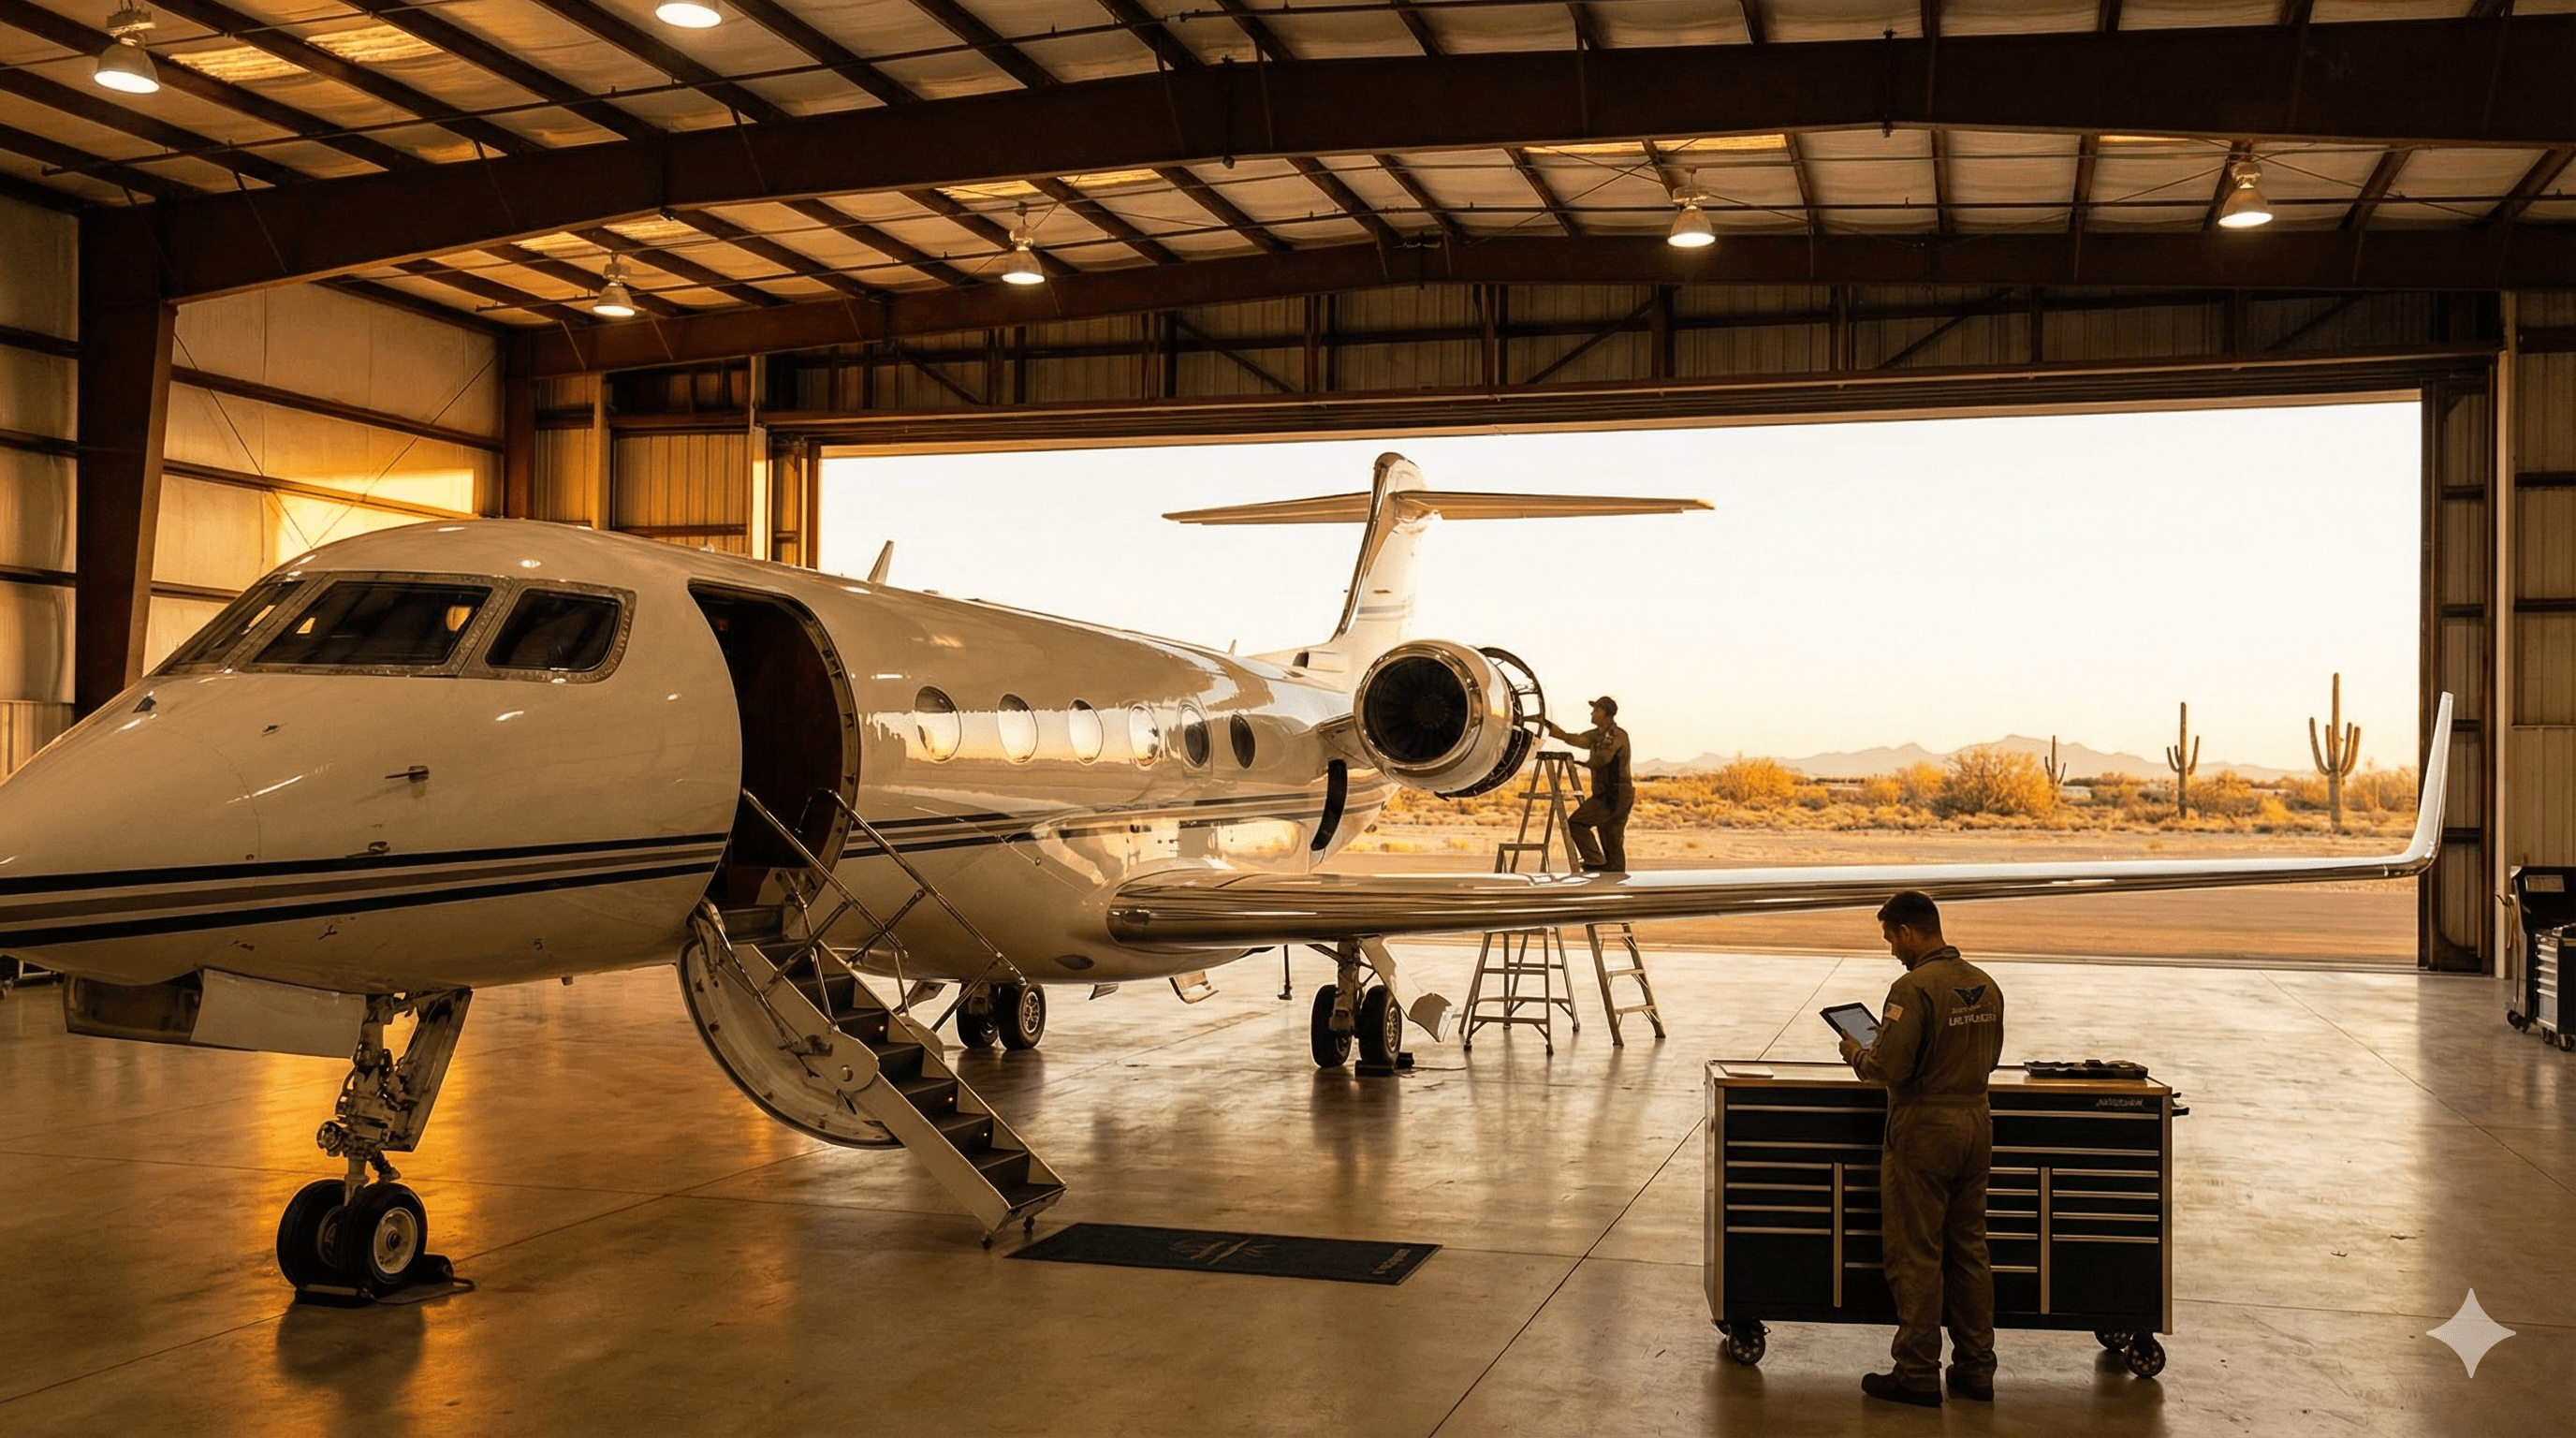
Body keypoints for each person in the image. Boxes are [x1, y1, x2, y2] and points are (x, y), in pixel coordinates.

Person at [1837, 889, 2005, 1408]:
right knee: (1970, 1249)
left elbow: (1889, 1068)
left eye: (1891, 937)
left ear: (1909, 932)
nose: (1891, 949)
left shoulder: (1911, 988)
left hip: (1925, 1128)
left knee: (1917, 1253)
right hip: (1976, 1120)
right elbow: (1992, 1056)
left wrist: (1856, 1053)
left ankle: (1916, 1373)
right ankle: (1976, 1367)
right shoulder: (1985, 983)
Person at [1544, 696, 1632, 873]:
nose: (1592, 713)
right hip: (1611, 794)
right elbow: (1571, 738)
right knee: (1612, 839)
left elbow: (1603, 758)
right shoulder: (1597, 735)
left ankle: (1596, 863)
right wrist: (1547, 727)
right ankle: (1613, 877)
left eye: (1597, 710)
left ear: (1606, 714)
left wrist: (1585, 762)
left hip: (1614, 794)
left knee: (1577, 823)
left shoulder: (1616, 736)